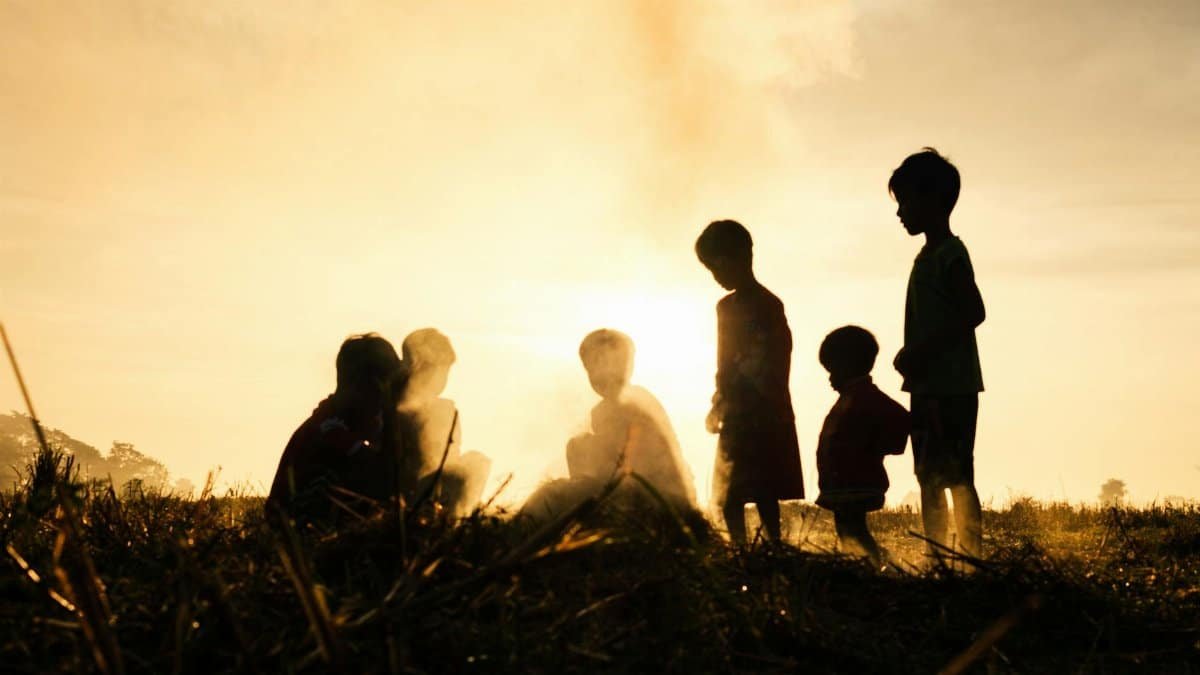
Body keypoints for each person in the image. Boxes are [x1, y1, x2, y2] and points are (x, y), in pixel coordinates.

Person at [889, 148, 986, 559]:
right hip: (927, 384)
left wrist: (920, 351)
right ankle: (936, 555)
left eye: (906, 202)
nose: (900, 214)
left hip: (953, 384)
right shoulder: (927, 256)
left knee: (958, 474)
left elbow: (973, 312)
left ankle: (971, 555)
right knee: (928, 475)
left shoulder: (951, 255)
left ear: (933, 201)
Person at [695, 219, 805, 543]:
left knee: (763, 489)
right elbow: (723, 362)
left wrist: (740, 393)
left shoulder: (768, 305)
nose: (716, 277)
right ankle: (742, 549)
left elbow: (772, 358)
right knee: (731, 493)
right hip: (737, 410)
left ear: (742, 256)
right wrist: (718, 401)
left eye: (717, 267)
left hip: (762, 410)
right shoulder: (725, 307)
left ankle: (773, 545)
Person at [266, 333, 402, 524]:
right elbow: (382, 475)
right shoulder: (328, 429)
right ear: (365, 387)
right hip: (302, 530)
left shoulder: (342, 421)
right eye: (386, 388)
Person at [566, 329, 696, 506]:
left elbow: (628, 464)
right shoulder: (608, 408)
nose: (602, 371)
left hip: (652, 500)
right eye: (592, 365)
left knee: (576, 449)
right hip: (643, 497)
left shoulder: (634, 402)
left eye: (610, 361)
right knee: (577, 446)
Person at [815, 326, 909, 562]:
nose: (829, 377)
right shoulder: (853, 398)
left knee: (853, 529)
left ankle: (873, 563)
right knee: (848, 529)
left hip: (855, 482)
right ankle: (866, 562)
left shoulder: (865, 397)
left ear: (847, 365)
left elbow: (900, 421)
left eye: (832, 369)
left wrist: (873, 448)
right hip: (844, 482)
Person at [393, 328, 490, 516]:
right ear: (423, 367)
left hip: (412, 491)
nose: (444, 378)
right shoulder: (438, 410)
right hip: (421, 495)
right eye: (444, 370)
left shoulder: (392, 402)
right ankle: (455, 519)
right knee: (477, 463)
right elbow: (439, 461)